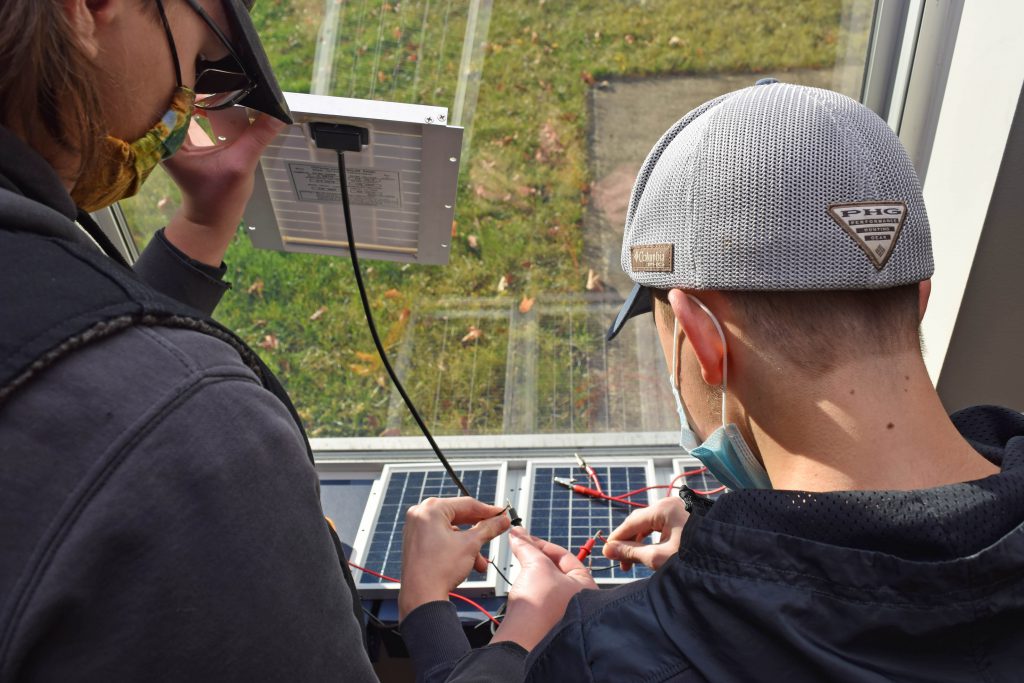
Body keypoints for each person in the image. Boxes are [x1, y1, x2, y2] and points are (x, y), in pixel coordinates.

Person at [412, 82, 1024, 681]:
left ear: (700, 338)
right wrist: (743, 557)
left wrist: (440, 624)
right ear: (919, 300)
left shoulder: (608, 658)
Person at [0, 2, 505, 680]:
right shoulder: (196, 436)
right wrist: (438, 616)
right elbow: (120, 418)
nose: (183, 107)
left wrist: (203, 227)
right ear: (91, 10)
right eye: (203, 66)